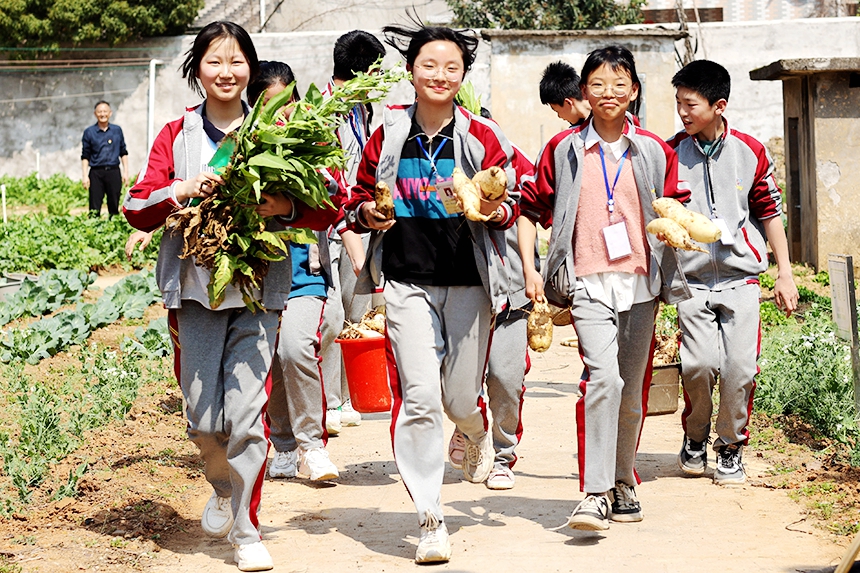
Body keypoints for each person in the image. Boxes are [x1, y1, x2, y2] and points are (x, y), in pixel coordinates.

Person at [123, 22, 335, 572]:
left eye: (237, 61)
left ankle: (246, 529)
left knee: (245, 417)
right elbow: (137, 203)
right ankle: (221, 485)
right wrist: (180, 190)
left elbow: (328, 205)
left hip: (259, 292)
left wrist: (281, 210)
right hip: (194, 293)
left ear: (251, 69)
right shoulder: (178, 134)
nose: (226, 71)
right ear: (197, 70)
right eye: (214, 61)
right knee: (203, 420)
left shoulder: (274, 135)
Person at [344, 22, 519, 563]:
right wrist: (368, 212)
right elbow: (354, 201)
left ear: (462, 74)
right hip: (405, 280)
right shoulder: (389, 135)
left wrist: (492, 208)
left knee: (458, 397)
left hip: (469, 283)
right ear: (411, 72)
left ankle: (475, 428)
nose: (440, 75)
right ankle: (430, 516)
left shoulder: (482, 136)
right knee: (419, 398)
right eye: (429, 65)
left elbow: (513, 202)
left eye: (451, 67)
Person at [519, 45, 690, 532]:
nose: (608, 94)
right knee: (604, 380)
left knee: (631, 391)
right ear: (583, 92)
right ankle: (594, 493)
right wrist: (533, 268)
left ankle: (622, 480)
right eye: (597, 85)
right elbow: (532, 208)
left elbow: (673, 210)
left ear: (633, 91)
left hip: (640, 284)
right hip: (587, 283)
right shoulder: (563, 149)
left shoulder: (655, 149)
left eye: (619, 85)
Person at [667, 59, 798, 486]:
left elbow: (769, 212)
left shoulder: (751, 151)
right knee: (698, 365)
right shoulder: (670, 153)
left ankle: (730, 446)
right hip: (693, 281)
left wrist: (785, 272)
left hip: (741, 278)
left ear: (718, 105)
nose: (683, 113)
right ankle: (695, 436)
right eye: (678, 103)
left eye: (690, 104)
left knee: (741, 367)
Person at [244, 61, 341, 483]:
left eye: (288, 103)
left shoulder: (316, 143)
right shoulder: (240, 148)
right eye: (270, 106)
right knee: (273, 360)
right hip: (260, 275)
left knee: (296, 350)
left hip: (306, 272)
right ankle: (282, 445)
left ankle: (311, 445)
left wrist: (290, 206)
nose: (281, 115)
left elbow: (337, 195)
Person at [447, 108, 535, 491]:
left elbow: (530, 210)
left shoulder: (514, 163)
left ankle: (502, 455)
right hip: (457, 286)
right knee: (459, 378)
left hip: (508, 287)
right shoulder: (440, 167)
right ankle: (469, 428)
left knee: (505, 375)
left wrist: (531, 271)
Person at [319, 30, 387, 434]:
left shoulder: (363, 110)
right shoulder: (323, 109)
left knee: (355, 307)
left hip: (358, 218)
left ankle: (348, 395)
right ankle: (329, 399)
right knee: (330, 314)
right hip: (330, 225)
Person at [81, 100, 129, 217]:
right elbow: (85, 155)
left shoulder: (117, 130)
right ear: (95, 114)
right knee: (94, 206)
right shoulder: (89, 132)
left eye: (105, 111)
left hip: (114, 171)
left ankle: (113, 230)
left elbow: (123, 152)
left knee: (114, 204)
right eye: (100, 112)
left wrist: (126, 172)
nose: (102, 114)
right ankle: (93, 230)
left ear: (110, 113)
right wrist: (84, 175)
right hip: (96, 173)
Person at [539, 61, 592, 127]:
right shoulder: (575, 132)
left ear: (568, 103)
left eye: (557, 111)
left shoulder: (604, 119)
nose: (559, 116)